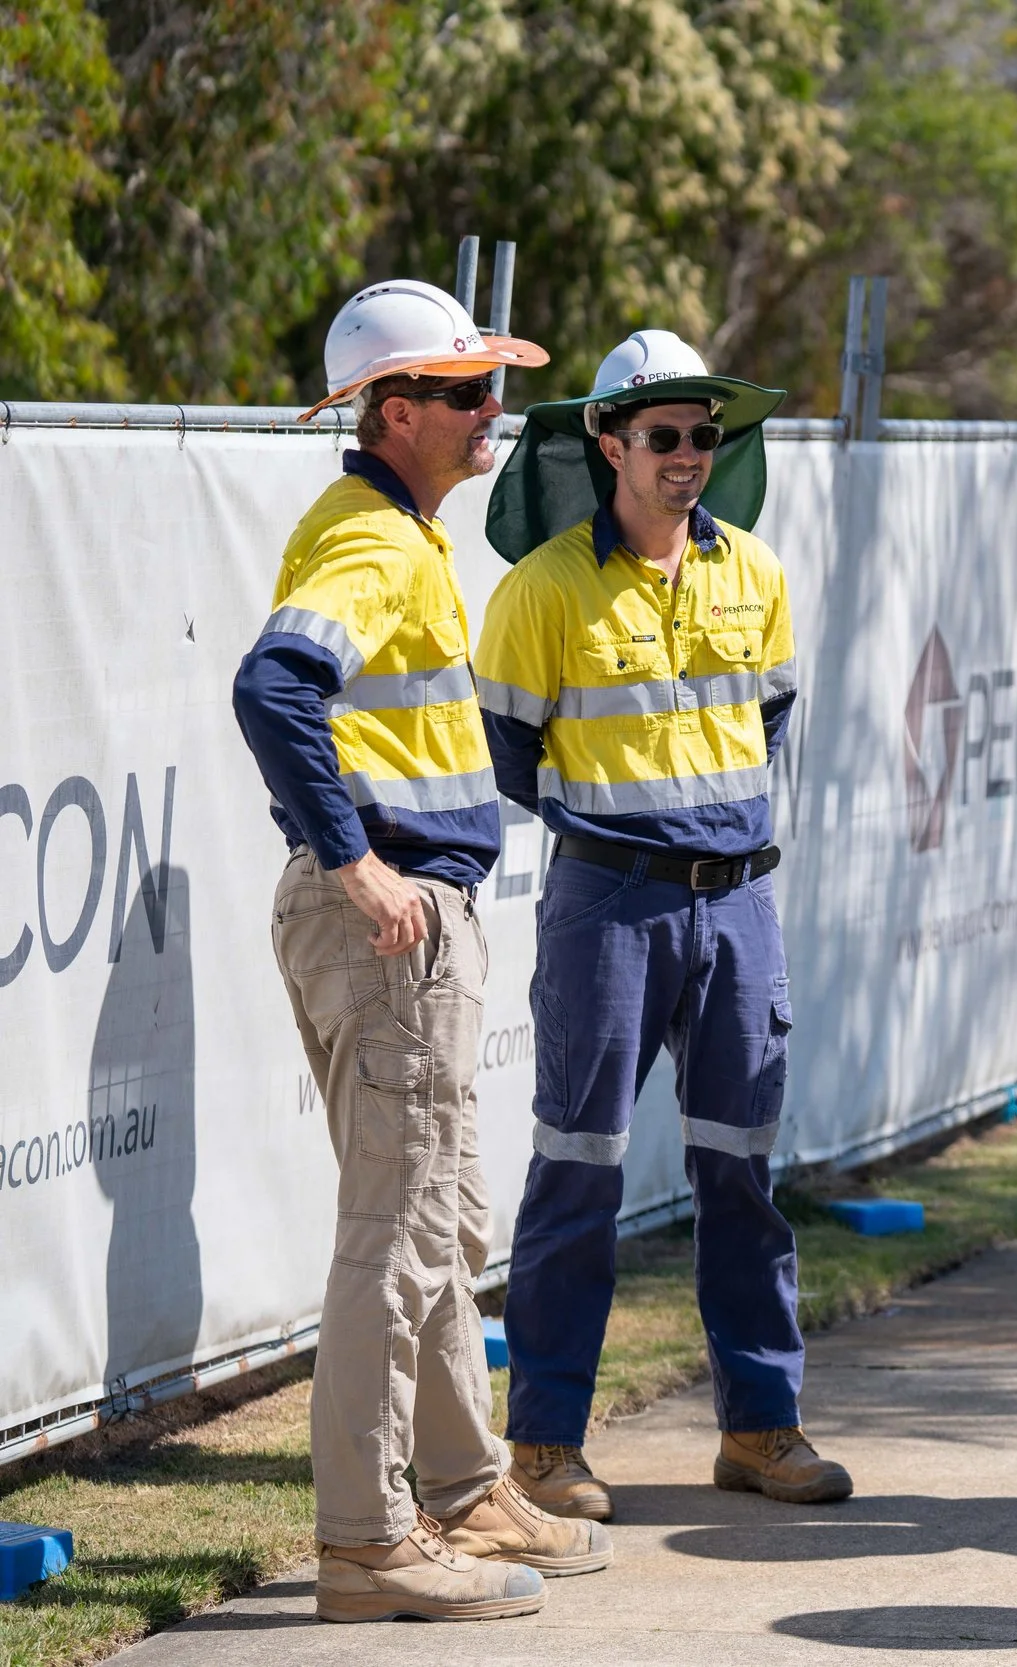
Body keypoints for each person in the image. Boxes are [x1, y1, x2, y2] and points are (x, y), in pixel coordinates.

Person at [233, 279, 608, 1624]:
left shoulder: (395, 531)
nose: (490, 410)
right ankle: (368, 1540)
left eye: (488, 385)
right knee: (394, 1240)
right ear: (397, 411)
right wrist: (356, 860)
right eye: (463, 392)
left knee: (438, 1222)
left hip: (413, 921)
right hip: (389, 922)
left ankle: (457, 1490)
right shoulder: (372, 543)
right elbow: (273, 685)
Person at [474, 330, 848, 1519]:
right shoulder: (541, 588)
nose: (691, 456)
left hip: (740, 899)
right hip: (609, 902)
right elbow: (510, 756)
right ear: (609, 441)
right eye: (666, 436)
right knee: (577, 1168)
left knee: (741, 1172)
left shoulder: (760, 573)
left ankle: (760, 1427)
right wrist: (629, 834)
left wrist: (704, 839)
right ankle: (543, 1444)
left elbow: (770, 723)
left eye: (707, 435)